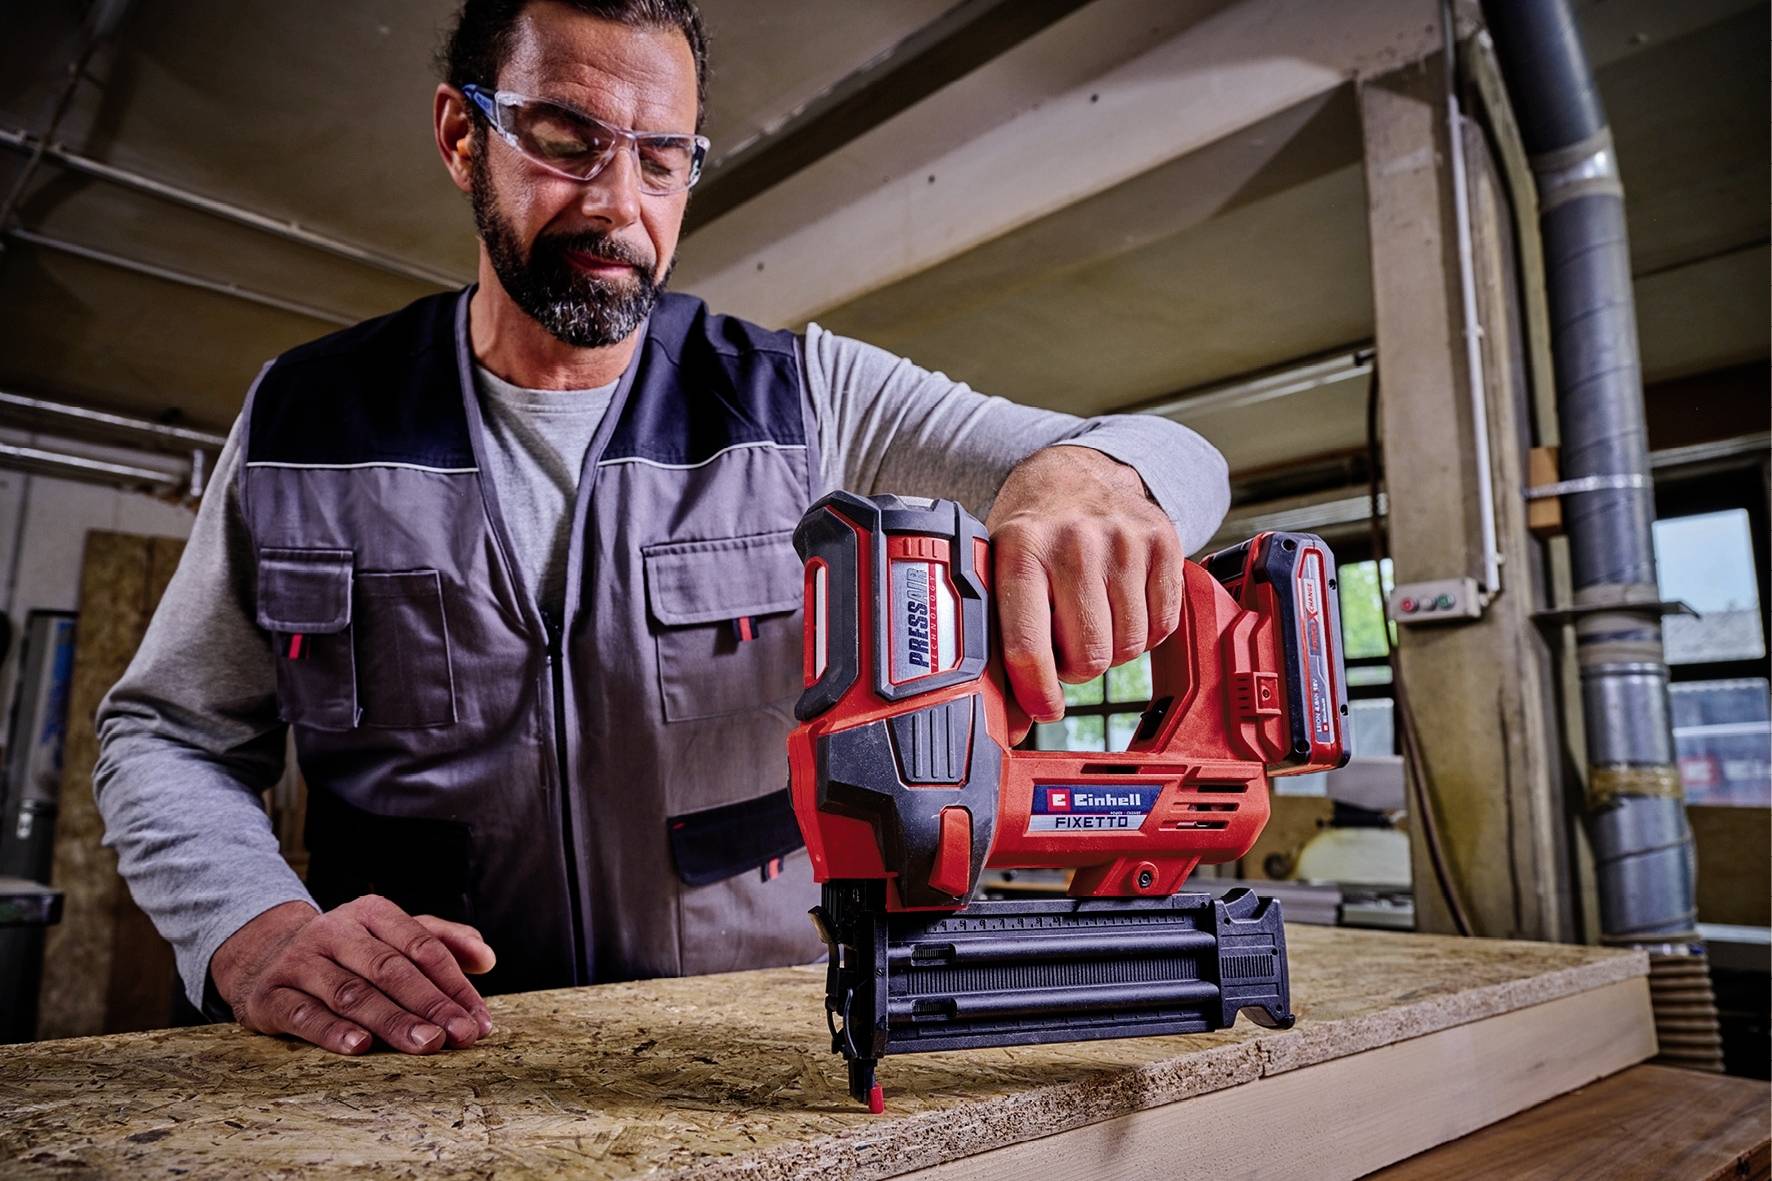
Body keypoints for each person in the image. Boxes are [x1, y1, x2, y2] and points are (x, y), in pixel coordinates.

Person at [94, 0, 1230, 1058]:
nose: (615, 203)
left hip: (755, 1060)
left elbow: (1179, 455)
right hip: (422, 1067)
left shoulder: (805, 395)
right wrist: (250, 923)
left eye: (660, 157)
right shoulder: (306, 416)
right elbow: (166, 731)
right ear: (460, 135)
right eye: (562, 136)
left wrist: (1094, 475)